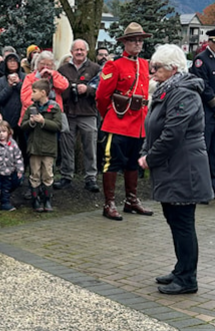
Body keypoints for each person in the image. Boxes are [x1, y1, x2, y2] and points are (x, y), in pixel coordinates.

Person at [139, 44, 212, 295]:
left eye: (157, 67)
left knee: (183, 223)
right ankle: (181, 269)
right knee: (175, 220)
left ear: (173, 69)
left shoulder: (183, 93)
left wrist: (150, 158)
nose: (153, 72)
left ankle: (187, 278)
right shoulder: (168, 90)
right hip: (174, 166)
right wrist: (146, 151)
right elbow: (154, 127)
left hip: (184, 167)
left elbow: (173, 133)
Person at [94, 22, 152, 220]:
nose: (138, 44)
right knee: (112, 163)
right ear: (125, 43)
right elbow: (102, 96)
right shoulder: (114, 65)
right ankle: (109, 203)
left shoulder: (144, 64)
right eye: (133, 40)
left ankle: (131, 200)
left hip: (138, 123)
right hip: (118, 121)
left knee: (134, 163)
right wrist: (109, 115)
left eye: (140, 40)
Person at [189, 28, 215, 200]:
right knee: (204, 151)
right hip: (206, 112)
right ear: (209, 42)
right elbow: (203, 87)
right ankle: (201, 189)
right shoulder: (201, 60)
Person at [57, 39, 101, 192]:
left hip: (88, 113)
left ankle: (91, 178)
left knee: (90, 147)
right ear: (71, 52)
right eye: (76, 50)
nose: (79, 52)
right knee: (66, 147)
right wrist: (70, 88)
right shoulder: (63, 69)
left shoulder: (95, 68)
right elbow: (58, 89)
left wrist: (87, 90)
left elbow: (101, 89)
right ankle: (66, 176)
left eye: (82, 49)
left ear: (87, 51)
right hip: (68, 113)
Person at [22, 79, 62, 212]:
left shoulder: (54, 108)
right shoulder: (31, 108)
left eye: (34, 92)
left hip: (48, 148)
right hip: (34, 148)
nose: (32, 94)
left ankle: (47, 200)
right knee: (34, 174)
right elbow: (23, 125)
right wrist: (31, 122)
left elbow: (58, 126)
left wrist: (43, 121)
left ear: (43, 93)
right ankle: (35, 200)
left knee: (48, 175)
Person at [0, 120, 25, 211]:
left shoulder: (13, 144)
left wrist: (19, 170)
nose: (1, 134)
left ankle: (5, 203)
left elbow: (18, 157)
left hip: (8, 172)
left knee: (6, 188)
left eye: (4, 131)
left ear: (9, 132)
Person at [19, 51, 69, 125]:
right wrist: (39, 79)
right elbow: (26, 99)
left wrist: (53, 75)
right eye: (42, 64)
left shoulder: (55, 75)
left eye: (48, 65)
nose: (45, 67)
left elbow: (64, 85)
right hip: (34, 115)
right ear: (37, 63)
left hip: (53, 114)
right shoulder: (30, 78)